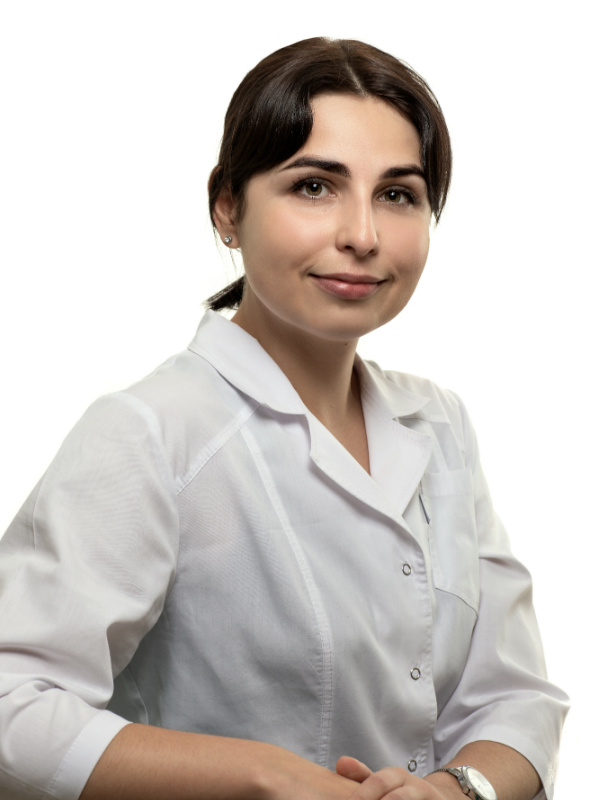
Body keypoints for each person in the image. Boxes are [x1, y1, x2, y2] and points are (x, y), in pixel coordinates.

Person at [0, 37, 568, 800]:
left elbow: (516, 698)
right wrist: (267, 775)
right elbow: (13, 704)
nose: (362, 235)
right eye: (314, 186)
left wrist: (454, 789)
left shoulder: (440, 425)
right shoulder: (151, 433)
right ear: (228, 209)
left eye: (398, 194)